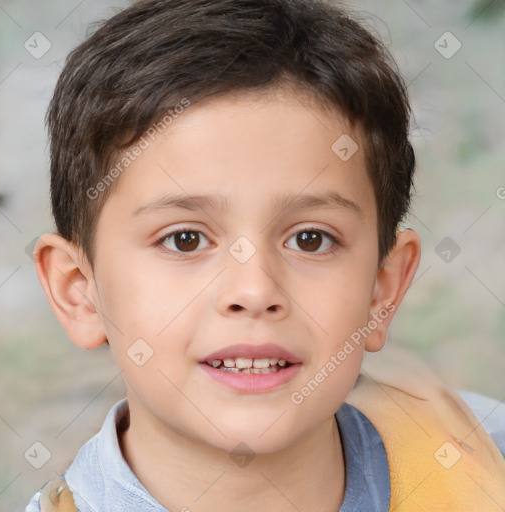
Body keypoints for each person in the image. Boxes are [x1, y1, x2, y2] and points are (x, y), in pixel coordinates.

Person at [26, 0, 505, 510]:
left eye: (310, 239)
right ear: (79, 291)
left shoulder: (483, 455)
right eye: (184, 239)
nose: (254, 290)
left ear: (383, 290)